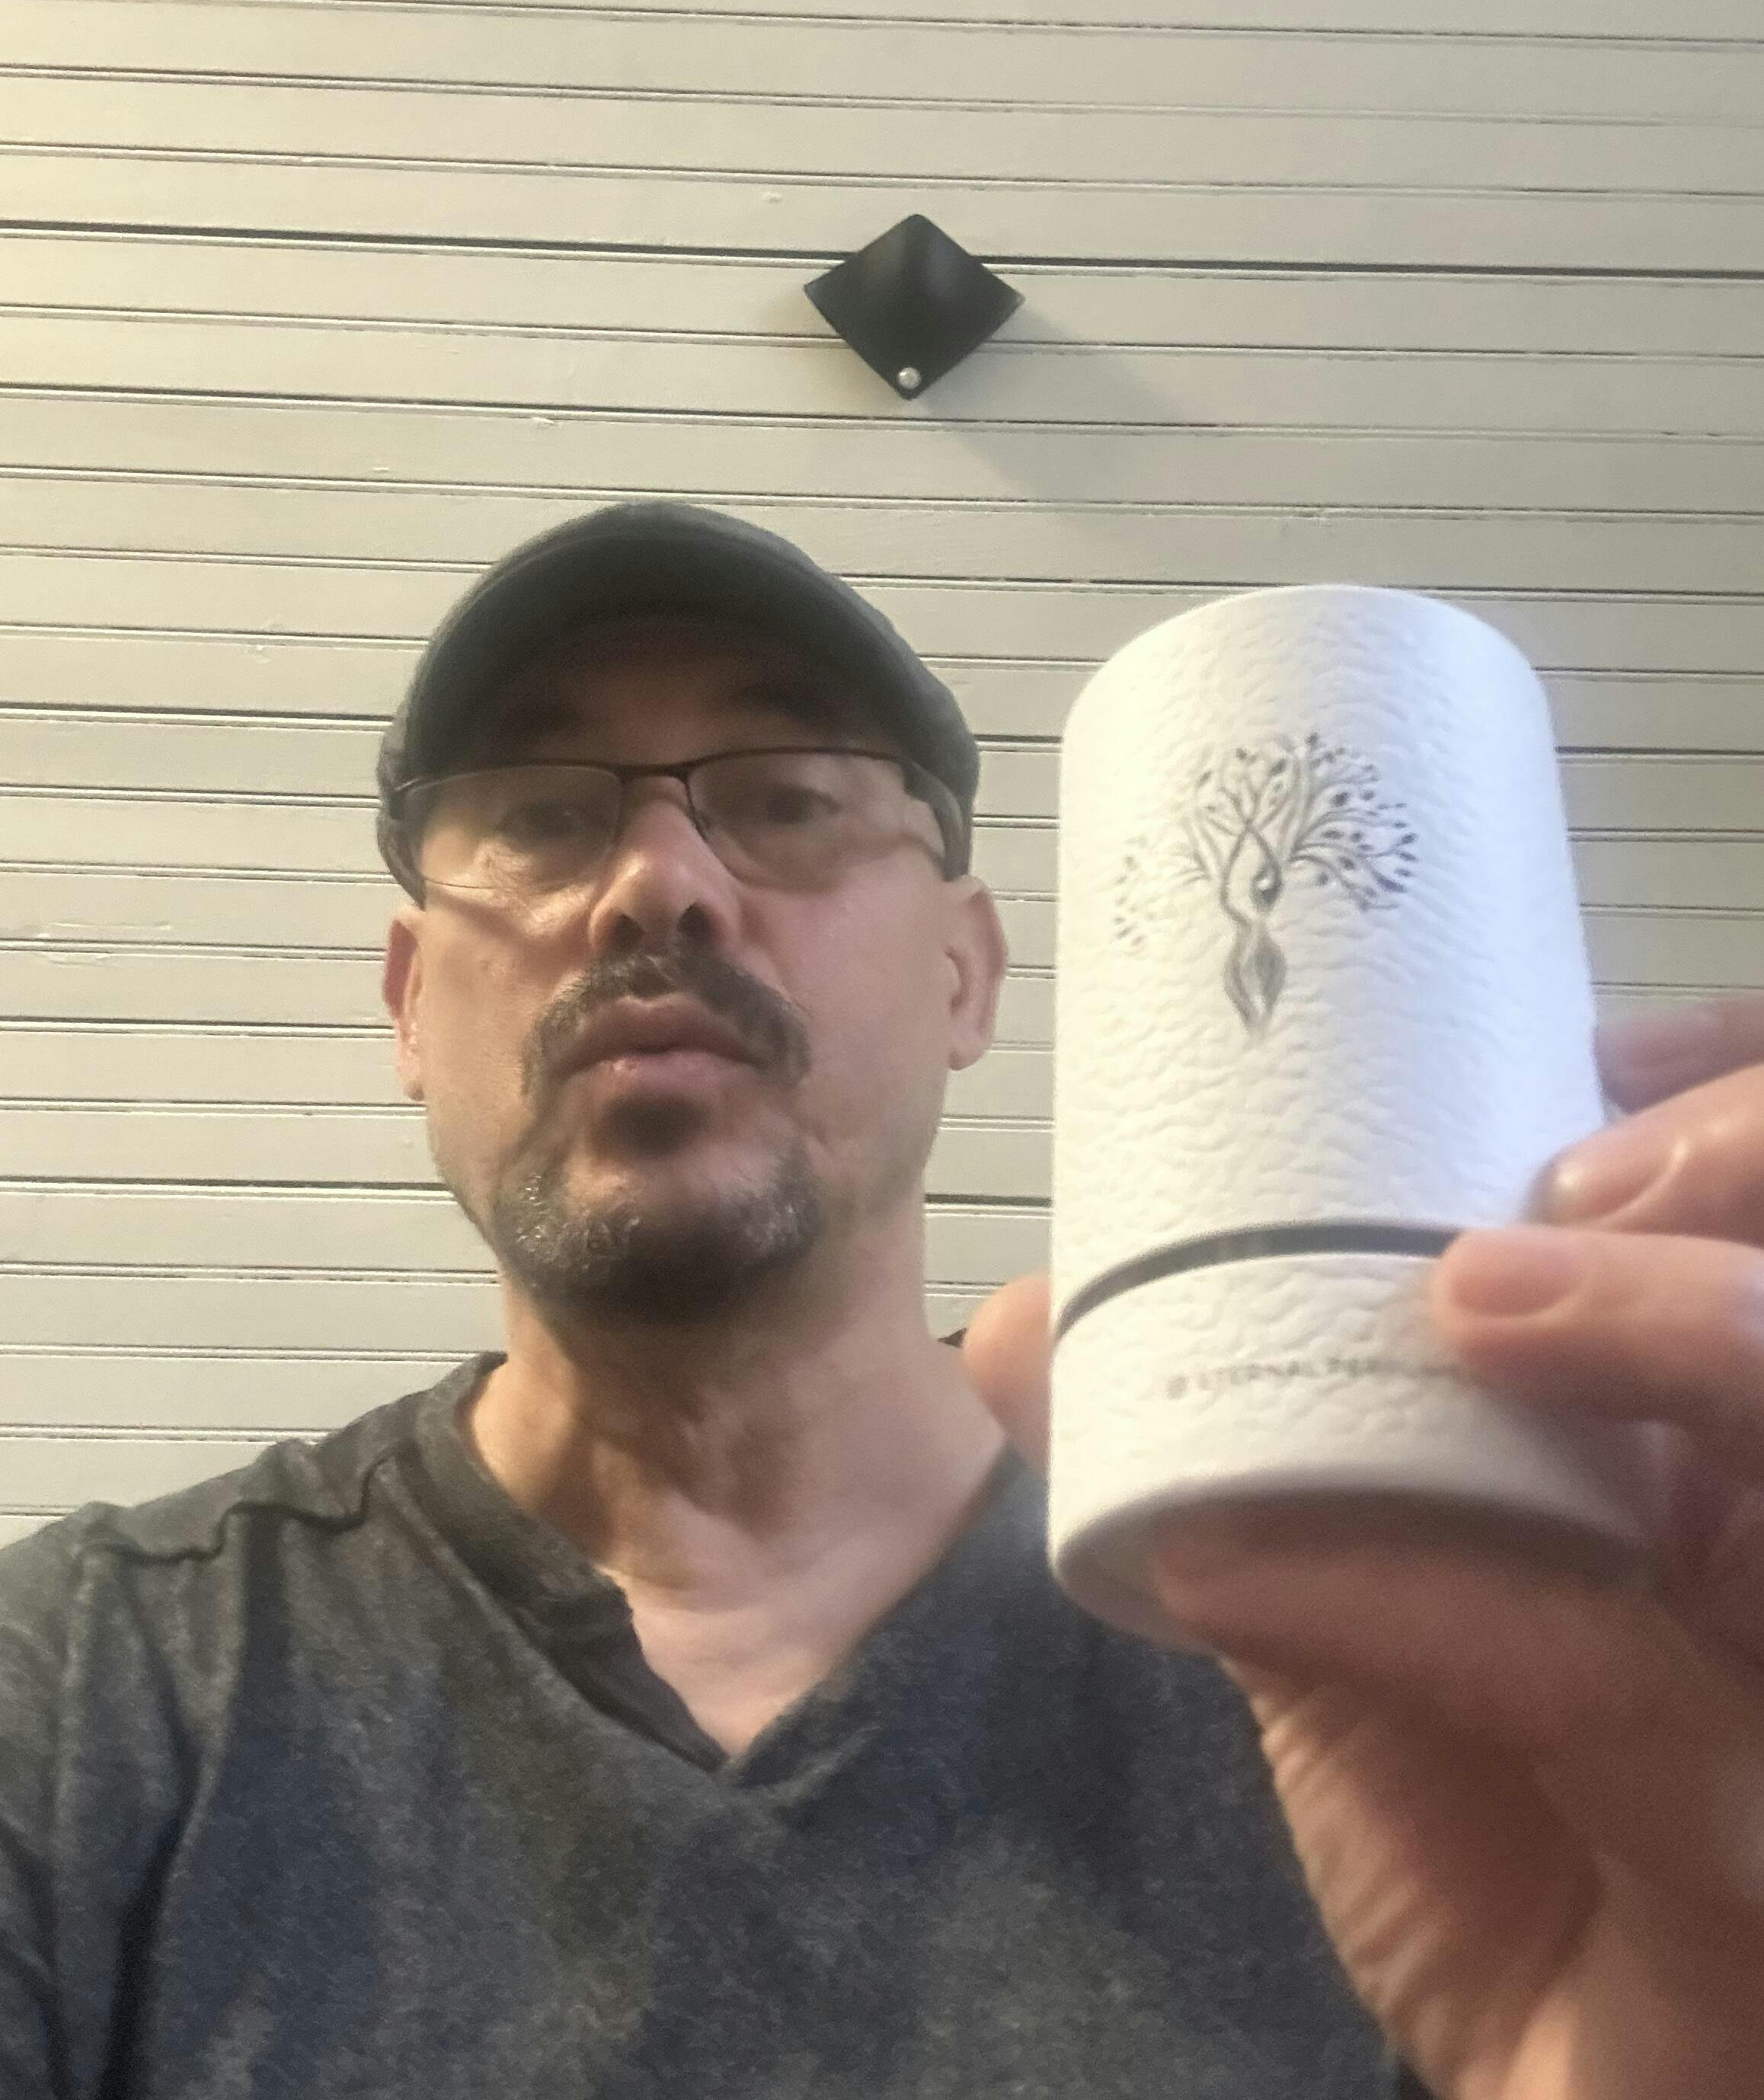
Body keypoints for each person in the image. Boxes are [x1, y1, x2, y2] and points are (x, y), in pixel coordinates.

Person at [1, 502, 1759, 2099]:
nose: (659, 882)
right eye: (541, 815)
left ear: (965, 972)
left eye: (785, 801)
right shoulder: (91, 1687)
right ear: (407, 1003)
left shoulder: (1366, 1662)